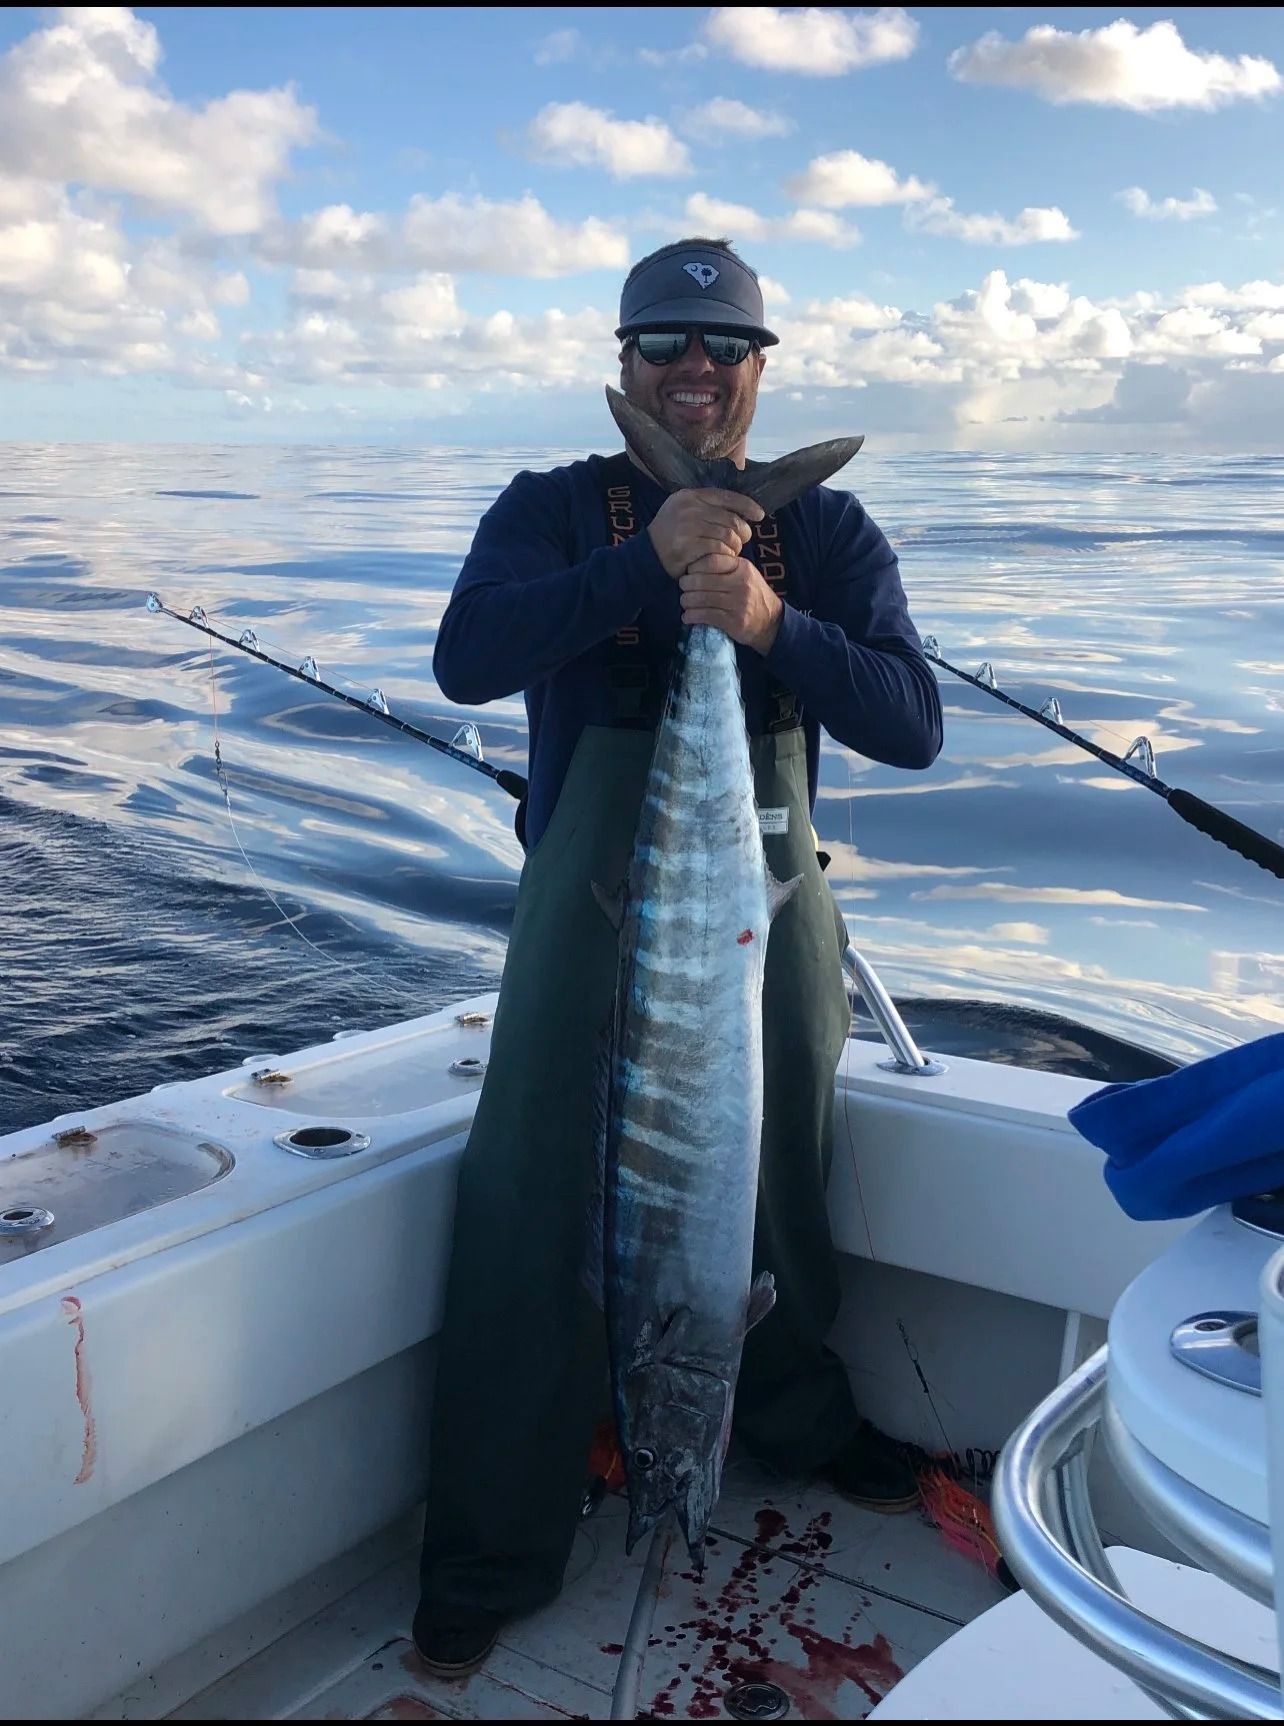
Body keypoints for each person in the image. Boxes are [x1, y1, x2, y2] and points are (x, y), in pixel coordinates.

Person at [413, 237, 944, 1676]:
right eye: (662, 347)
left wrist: (772, 623)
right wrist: (641, 565)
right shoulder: (550, 509)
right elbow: (468, 657)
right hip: (590, 916)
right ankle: (494, 1544)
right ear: (628, 367)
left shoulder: (822, 534)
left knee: (778, 1186)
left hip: (762, 906)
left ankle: (792, 1420)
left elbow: (913, 721)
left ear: (761, 369)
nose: (693, 372)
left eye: (721, 349)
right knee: (530, 1200)